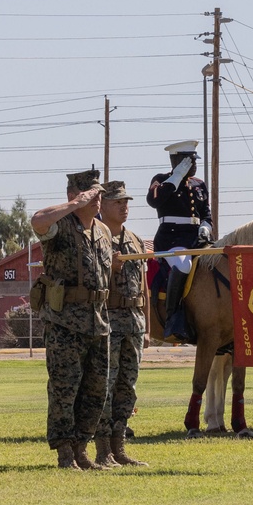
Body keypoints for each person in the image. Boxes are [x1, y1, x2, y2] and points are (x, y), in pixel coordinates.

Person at [31, 169, 113, 469]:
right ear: (74, 195)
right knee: (65, 388)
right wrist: (75, 204)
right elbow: (37, 220)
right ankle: (65, 452)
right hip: (65, 322)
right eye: (92, 194)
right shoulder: (59, 225)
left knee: (96, 390)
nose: (97, 199)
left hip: (98, 321)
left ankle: (81, 449)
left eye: (99, 195)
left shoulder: (102, 232)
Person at [92, 181, 149, 467]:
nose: (125, 207)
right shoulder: (97, 239)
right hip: (109, 320)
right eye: (118, 202)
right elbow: (92, 285)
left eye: (127, 202)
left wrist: (147, 326)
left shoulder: (136, 240)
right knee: (107, 385)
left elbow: (144, 287)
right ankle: (103, 450)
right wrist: (109, 268)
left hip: (134, 322)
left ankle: (120, 447)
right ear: (102, 205)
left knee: (128, 386)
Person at [146, 140, 212, 341]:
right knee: (183, 265)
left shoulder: (199, 184)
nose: (194, 165)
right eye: (189, 161)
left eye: (194, 160)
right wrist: (176, 176)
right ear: (176, 160)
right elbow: (154, 201)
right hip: (171, 239)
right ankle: (173, 317)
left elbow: (206, 214)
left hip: (197, 239)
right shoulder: (162, 180)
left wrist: (205, 227)